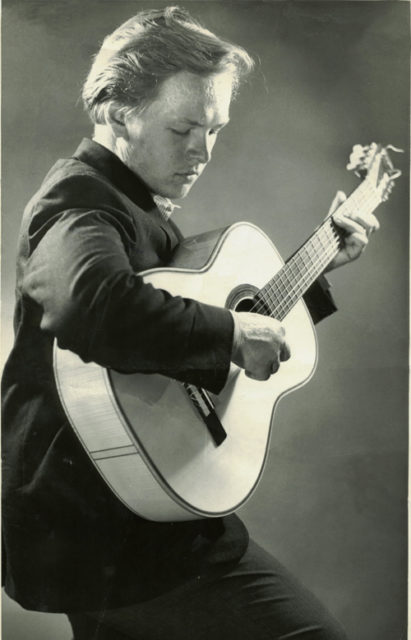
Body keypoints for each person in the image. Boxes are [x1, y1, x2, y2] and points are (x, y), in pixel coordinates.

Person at [2, 7, 380, 639]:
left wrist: (317, 265)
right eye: (184, 128)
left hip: (132, 516)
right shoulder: (79, 201)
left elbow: (196, 324)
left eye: (216, 130)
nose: (202, 152)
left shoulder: (133, 203)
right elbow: (92, 304)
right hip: (111, 535)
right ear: (118, 111)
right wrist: (230, 335)